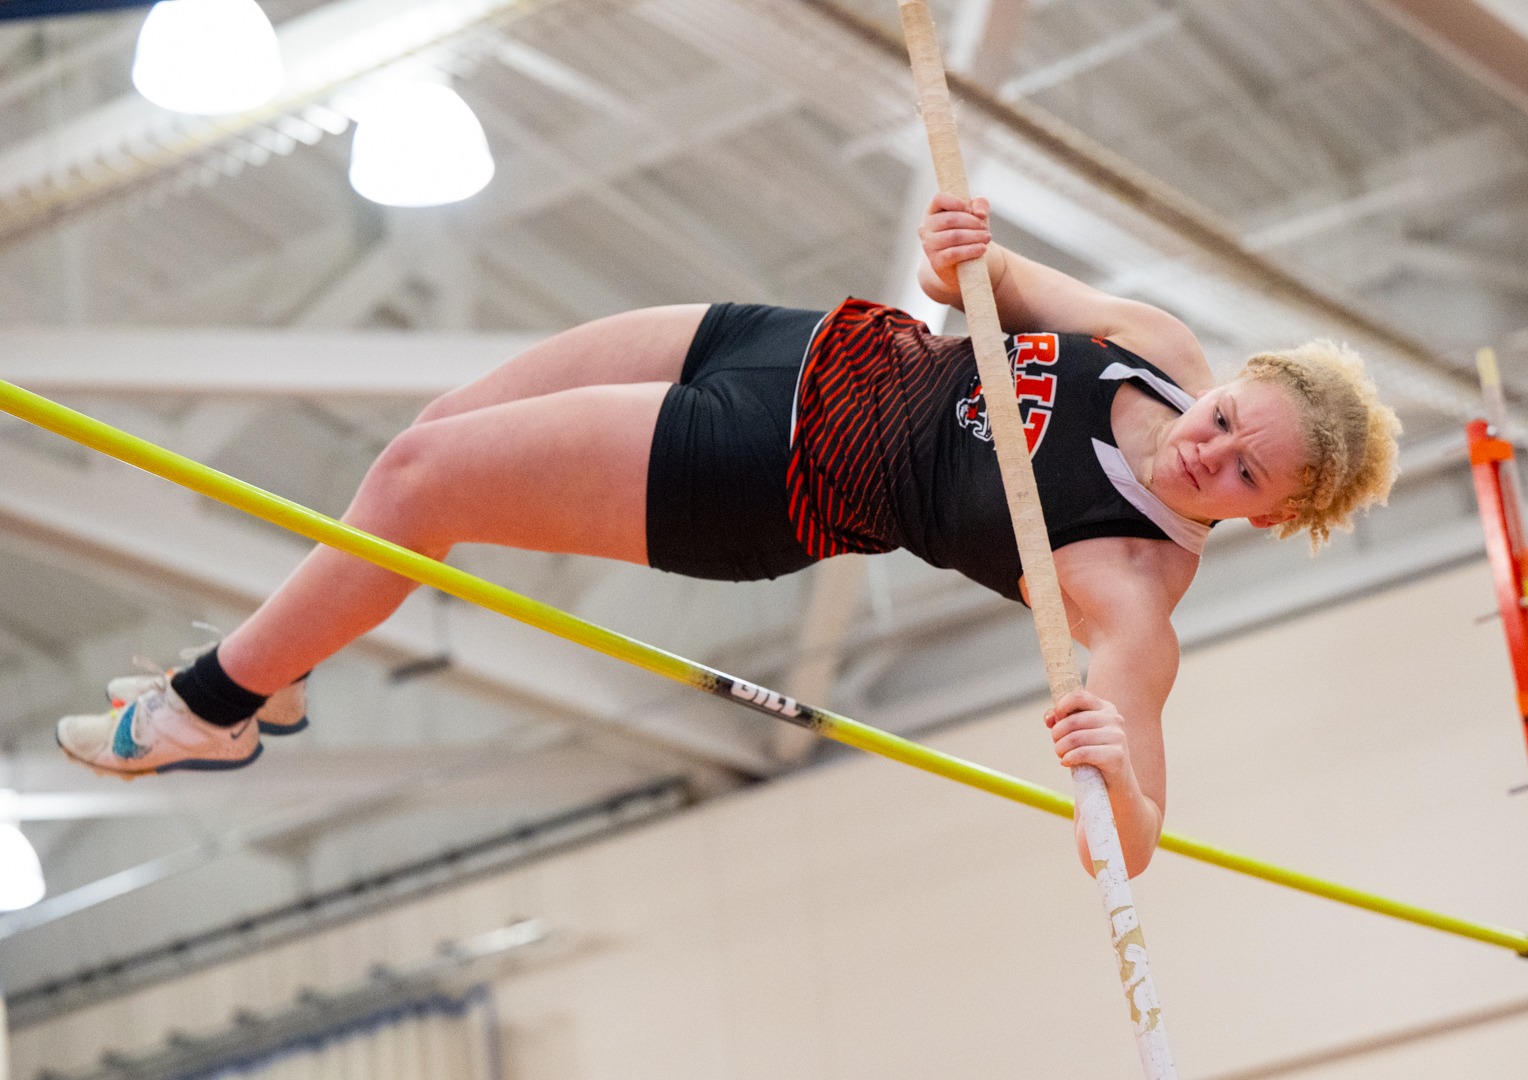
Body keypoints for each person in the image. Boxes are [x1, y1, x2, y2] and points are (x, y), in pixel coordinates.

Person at [58, 194, 1399, 875]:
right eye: (1231, 416)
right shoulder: (1156, 352)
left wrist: (1116, 776)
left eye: (1239, 474)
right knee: (434, 426)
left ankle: (216, 704)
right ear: (1231, 378)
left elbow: (1134, 834)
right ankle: (285, 672)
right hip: (784, 342)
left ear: (1267, 517)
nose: (1206, 448)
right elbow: (969, 284)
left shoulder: (1129, 587)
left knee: (419, 480)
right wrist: (960, 249)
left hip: (764, 482)